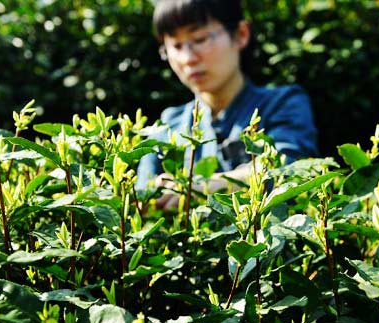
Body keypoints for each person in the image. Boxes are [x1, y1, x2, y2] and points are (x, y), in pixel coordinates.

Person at [136, 0, 318, 209]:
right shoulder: (168, 126)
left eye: (199, 38)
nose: (187, 58)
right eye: (175, 46)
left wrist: (201, 187)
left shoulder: (283, 103)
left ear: (241, 34)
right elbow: (141, 199)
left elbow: (291, 171)